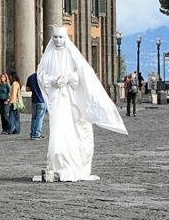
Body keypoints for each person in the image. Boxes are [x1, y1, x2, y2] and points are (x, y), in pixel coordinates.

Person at [37, 26, 127, 181]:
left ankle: (71, 164)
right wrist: (52, 80)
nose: (58, 40)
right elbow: (41, 74)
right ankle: (57, 164)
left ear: (65, 39)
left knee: (74, 131)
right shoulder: (48, 56)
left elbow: (83, 74)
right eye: (56, 37)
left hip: (72, 101)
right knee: (57, 134)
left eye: (61, 37)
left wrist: (69, 78)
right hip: (57, 100)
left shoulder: (72, 55)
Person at [26, 71, 46, 139]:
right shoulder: (44, 77)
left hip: (34, 99)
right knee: (39, 118)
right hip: (42, 100)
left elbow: (27, 89)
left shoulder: (31, 77)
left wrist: (34, 89)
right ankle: (36, 134)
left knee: (34, 118)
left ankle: (32, 133)